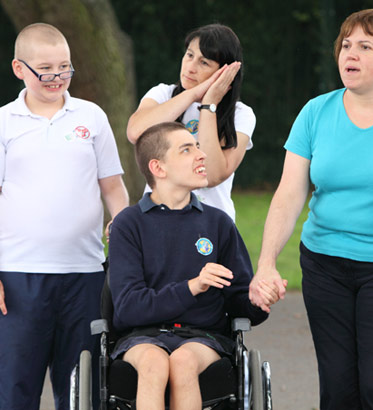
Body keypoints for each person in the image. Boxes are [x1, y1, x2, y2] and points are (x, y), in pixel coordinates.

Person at [249, 8, 373, 410]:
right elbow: (290, 193)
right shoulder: (315, 113)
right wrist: (267, 262)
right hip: (326, 265)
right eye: (346, 45)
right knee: (339, 392)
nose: (350, 54)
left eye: (365, 46)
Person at [0, 23, 129, 410]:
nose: (57, 77)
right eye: (46, 69)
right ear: (19, 68)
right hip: (19, 275)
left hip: (85, 274)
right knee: (14, 388)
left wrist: (124, 238)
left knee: (81, 391)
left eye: (65, 67)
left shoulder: (91, 116)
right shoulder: (4, 121)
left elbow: (113, 187)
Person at [108, 122, 275, 410]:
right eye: (187, 150)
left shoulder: (218, 222)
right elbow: (129, 308)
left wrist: (256, 300)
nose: (201, 155)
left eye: (197, 146)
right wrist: (192, 287)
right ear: (158, 168)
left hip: (203, 337)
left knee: (182, 361)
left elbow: (237, 300)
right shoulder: (129, 224)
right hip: (141, 337)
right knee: (154, 362)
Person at [126, 23, 255, 221]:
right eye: (189, 55)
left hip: (212, 226)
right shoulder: (163, 94)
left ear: (224, 72)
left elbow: (211, 176)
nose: (191, 68)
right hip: (157, 219)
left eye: (204, 63)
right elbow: (135, 131)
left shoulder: (241, 114)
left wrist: (208, 105)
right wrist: (193, 94)